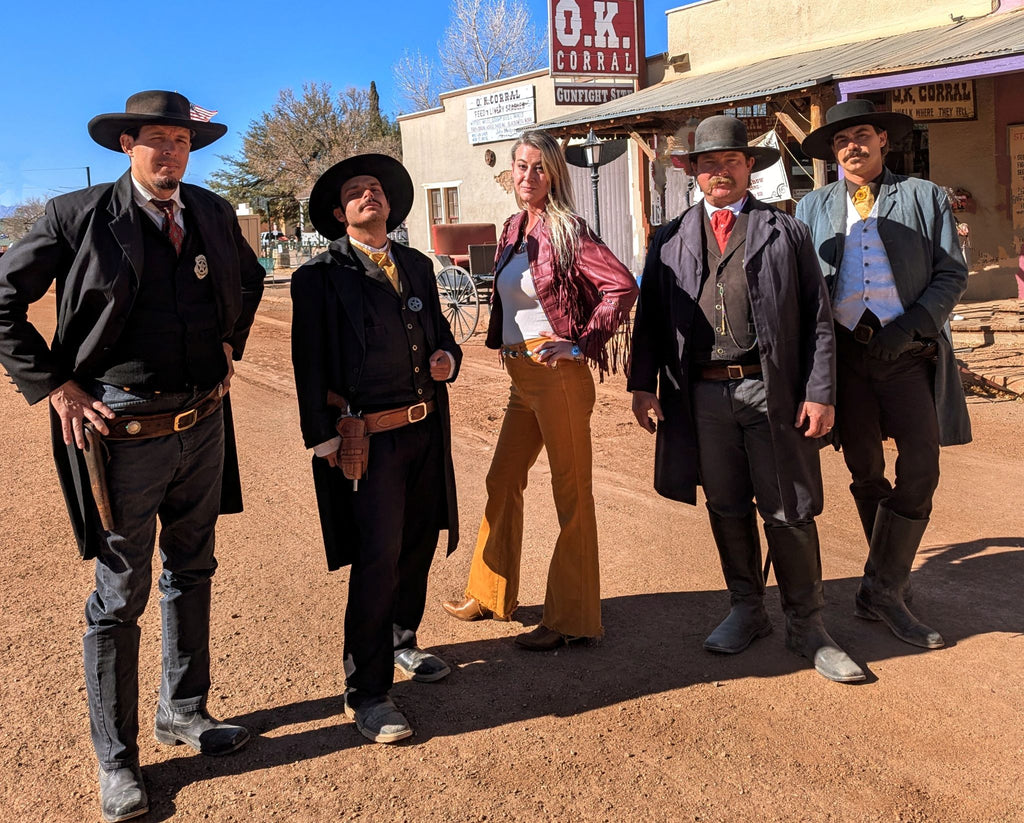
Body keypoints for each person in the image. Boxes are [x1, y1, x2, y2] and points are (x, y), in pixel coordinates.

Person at [0, 90, 264, 822]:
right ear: (127, 145)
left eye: (181, 141)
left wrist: (228, 343)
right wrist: (55, 385)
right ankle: (116, 759)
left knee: (194, 567)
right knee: (119, 596)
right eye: (157, 139)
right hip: (121, 435)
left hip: (204, 421)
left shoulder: (209, 211)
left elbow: (248, 281)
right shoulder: (77, 216)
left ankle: (184, 709)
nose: (171, 153)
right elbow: (0, 300)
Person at [629, 115, 864, 684]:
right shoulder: (670, 237)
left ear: (749, 168)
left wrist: (820, 392)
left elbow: (817, 319)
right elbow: (652, 319)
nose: (720, 173)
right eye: (708, 165)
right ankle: (746, 608)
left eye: (731, 162)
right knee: (727, 503)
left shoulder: (784, 231)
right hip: (703, 394)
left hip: (773, 390)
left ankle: (808, 625)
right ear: (694, 173)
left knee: (789, 506)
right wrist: (641, 383)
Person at [442, 130, 637, 651]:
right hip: (519, 376)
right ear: (510, 172)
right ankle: (490, 592)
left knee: (571, 494)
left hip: (559, 379)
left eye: (539, 169)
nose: (527, 177)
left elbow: (622, 286)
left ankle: (572, 617)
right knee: (501, 479)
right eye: (520, 167)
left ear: (554, 175)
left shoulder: (568, 229)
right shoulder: (511, 228)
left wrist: (581, 342)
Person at [291, 154, 462, 744]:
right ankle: (366, 691)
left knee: (419, 540)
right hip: (366, 441)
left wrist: (448, 360)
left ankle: (402, 641)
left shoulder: (415, 264)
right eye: (356, 193)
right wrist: (324, 436)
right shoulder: (318, 276)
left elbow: (440, 335)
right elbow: (307, 362)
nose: (370, 195)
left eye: (377, 189)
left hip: (423, 429)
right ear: (340, 214)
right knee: (377, 557)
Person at [796, 99, 971, 650]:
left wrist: (914, 327)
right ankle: (886, 586)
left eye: (863, 135)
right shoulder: (812, 208)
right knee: (865, 468)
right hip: (845, 357)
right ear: (833, 151)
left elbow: (950, 274)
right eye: (843, 139)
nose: (853, 146)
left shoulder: (924, 197)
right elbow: (801, 285)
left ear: (883, 142)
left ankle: (882, 584)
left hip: (906, 353)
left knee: (921, 465)